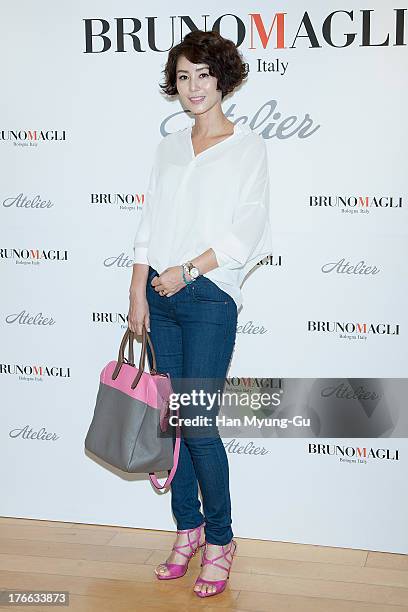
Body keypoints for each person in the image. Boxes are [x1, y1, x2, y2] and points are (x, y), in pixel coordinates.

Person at [128, 30, 273, 598]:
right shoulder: (167, 148)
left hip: (209, 296)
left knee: (200, 423)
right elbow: (148, 227)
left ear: (223, 78)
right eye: (184, 76)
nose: (193, 87)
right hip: (159, 299)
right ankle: (187, 528)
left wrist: (188, 269)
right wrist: (138, 290)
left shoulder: (247, 146)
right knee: (175, 423)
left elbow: (248, 231)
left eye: (204, 75)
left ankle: (221, 539)